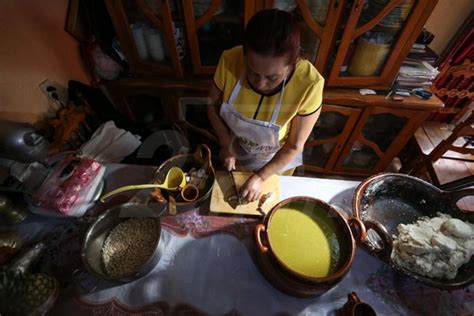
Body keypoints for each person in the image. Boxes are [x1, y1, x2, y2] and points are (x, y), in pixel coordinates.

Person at [207, 9, 324, 202]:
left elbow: (294, 146)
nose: (260, 84)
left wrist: (261, 177)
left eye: (272, 77)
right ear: (244, 56)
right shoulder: (230, 60)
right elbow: (211, 106)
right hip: (237, 150)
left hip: (276, 162)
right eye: (252, 73)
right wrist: (225, 143)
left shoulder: (309, 84)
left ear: (293, 63)